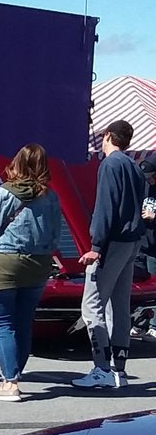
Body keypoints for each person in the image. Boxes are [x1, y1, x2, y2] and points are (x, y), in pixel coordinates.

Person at [0, 144, 62, 403]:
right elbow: (55, 235)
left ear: (17, 163)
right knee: (23, 322)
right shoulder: (51, 197)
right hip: (37, 264)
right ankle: (16, 372)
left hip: (2, 263)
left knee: (3, 325)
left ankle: (10, 383)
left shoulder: (3, 194)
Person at [73, 118, 146, 390]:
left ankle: (101, 368)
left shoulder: (109, 165)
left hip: (112, 242)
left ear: (107, 135)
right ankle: (119, 369)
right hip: (131, 241)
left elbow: (106, 207)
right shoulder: (134, 168)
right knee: (119, 304)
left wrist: (95, 247)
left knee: (92, 306)